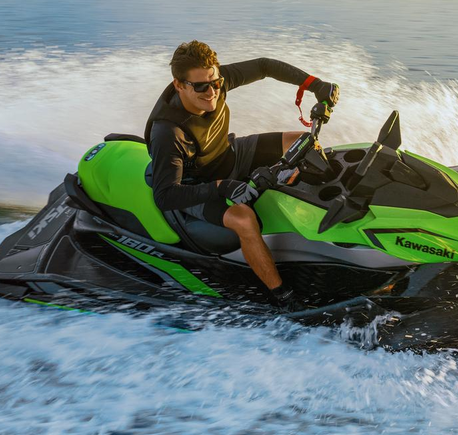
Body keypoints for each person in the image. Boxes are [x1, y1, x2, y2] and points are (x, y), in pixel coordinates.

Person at [144, 40, 339, 309]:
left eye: (215, 83)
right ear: (179, 85)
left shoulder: (216, 81)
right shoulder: (168, 133)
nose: (211, 92)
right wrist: (222, 186)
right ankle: (282, 299)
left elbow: (264, 66)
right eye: (201, 87)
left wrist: (314, 84)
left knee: (302, 141)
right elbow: (165, 196)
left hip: (229, 154)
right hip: (198, 184)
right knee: (245, 219)